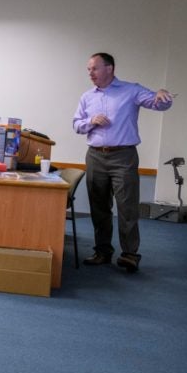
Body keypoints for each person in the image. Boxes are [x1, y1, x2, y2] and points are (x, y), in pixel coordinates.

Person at [72, 52, 173, 272]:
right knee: (99, 207)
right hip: (95, 155)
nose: (90, 73)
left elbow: (157, 104)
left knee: (127, 206)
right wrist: (91, 121)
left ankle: (129, 254)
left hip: (123, 156)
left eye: (94, 68)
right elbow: (77, 124)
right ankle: (102, 252)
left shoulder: (131, 90)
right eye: (88, 69)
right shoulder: (87, 97)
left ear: (109, 68)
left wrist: (162, 95)